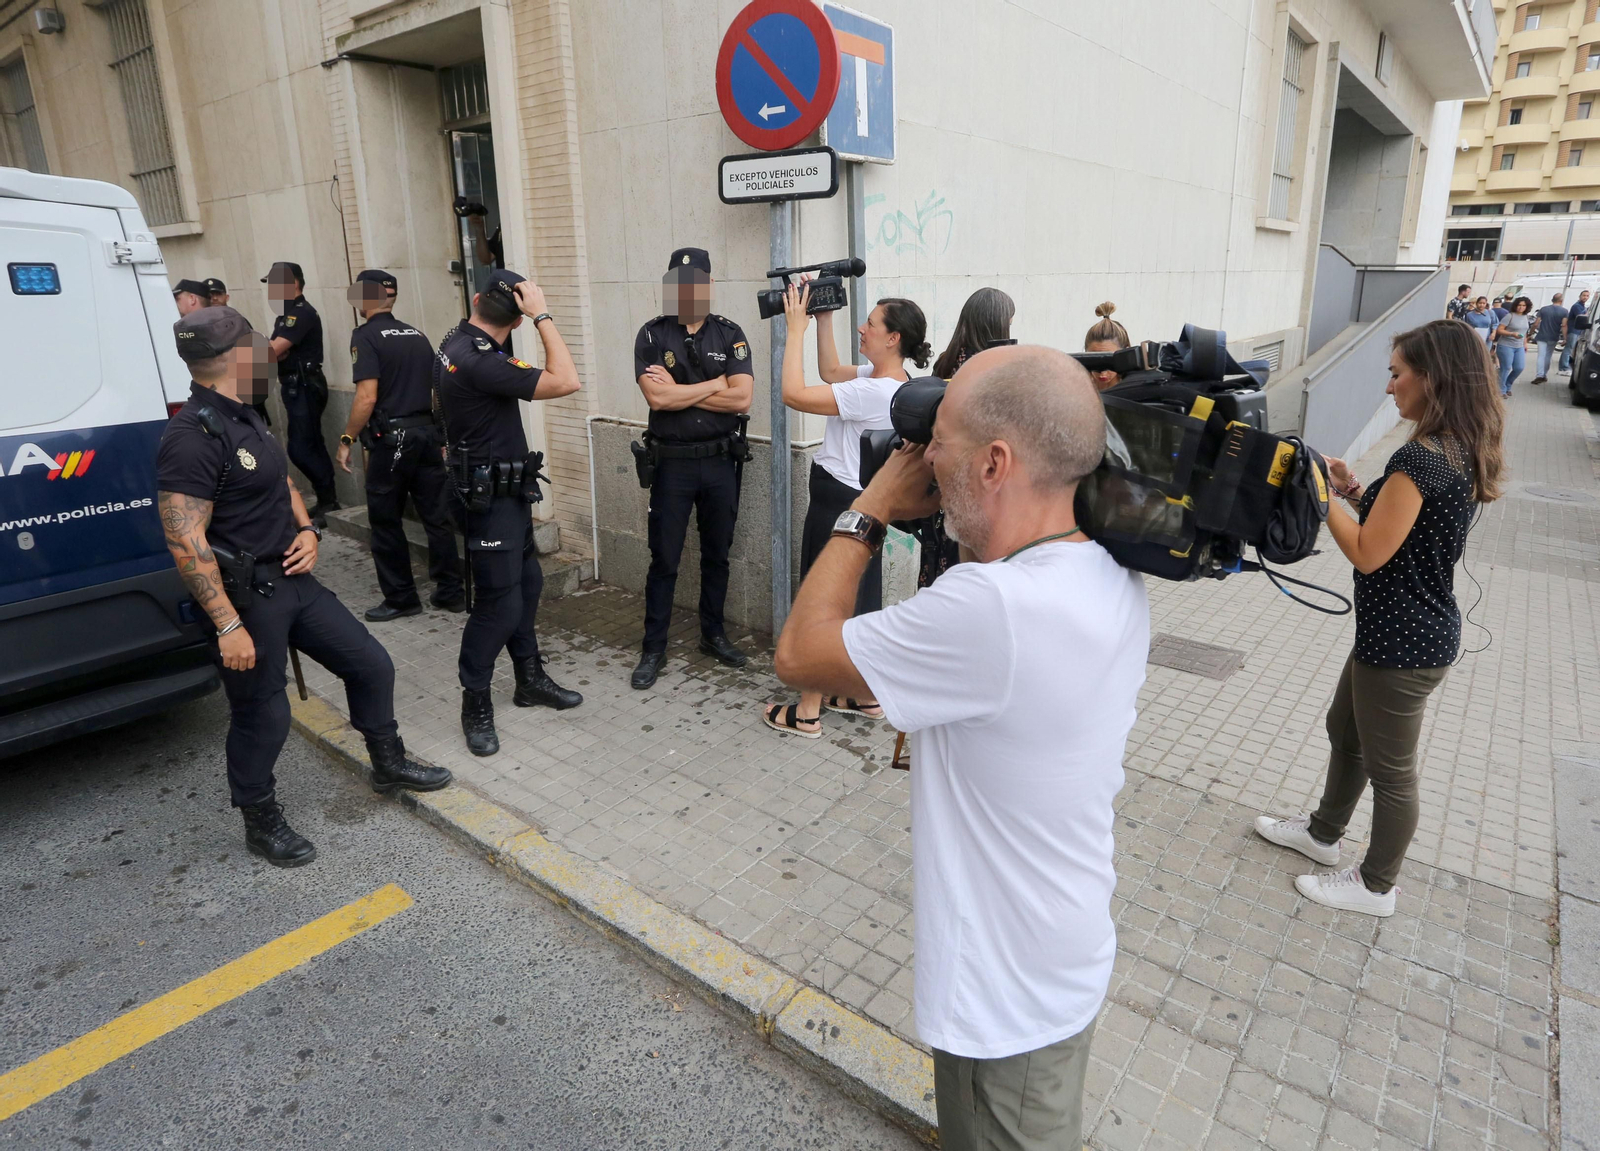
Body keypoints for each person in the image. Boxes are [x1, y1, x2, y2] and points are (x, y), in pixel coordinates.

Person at [773, 345, 1148, 1151]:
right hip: (1059, 955)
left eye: (937, 439)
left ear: (996, 462)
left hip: (1003, 1006)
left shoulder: (993, 610)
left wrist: (868, 504)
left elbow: (800, 654)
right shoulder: (1105, 567)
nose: (921, 457)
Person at [155, 307, 451, 867]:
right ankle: (260, 818)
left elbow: (283, 482)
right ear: (230, 359)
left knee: (370, 665)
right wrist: (227, 626)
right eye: (256, 347)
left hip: (294, 579)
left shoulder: (246, 414)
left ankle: (387, 763)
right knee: (263, 716)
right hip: (248, 598)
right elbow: (184, 541)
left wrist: (309, 531)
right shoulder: (191, 436)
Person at [1254, 320, 1503, 916]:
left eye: (1397, 374)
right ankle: (1321, 835)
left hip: (1404, 645)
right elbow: (1402, 530)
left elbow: (1369, 552)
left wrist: (1319, 496)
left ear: (1433, 378)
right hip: (1402, 634)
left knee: (1393, 774)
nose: (1390, 388)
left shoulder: (1421, 456)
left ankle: (1375, 886)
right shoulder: (1454, 449)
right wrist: (1353, 491)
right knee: (1346, 733)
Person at [762, 285, 930, 739]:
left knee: (823, 600)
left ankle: (808, 711)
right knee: (858, 597)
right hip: (863, 500)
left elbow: (793, 393)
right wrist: (822, 318)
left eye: (871, 323)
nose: (863, 327)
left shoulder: (871, 392)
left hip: (836, 498)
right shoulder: (896, 384)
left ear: (893, 338)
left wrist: (792, 329)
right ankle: (865, 695)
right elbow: (832, 370)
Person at [437, 269, 583, 756]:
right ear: (518, 321)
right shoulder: (481, 361)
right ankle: (474, 701)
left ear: (476, 300)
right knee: (498, 604)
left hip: (503, 491)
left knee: (529, 585)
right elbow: (567, 380)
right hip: (490, 499)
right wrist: (541, 313)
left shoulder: (459, 339)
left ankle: (528, 680)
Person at [629, 248, 755, 690]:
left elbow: (742, 399)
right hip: (673, 466)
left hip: (720, 462)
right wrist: (714, 384)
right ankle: (653, 647)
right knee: (663, 558)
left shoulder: (730, 334)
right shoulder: (652, 334)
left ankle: (712, 634)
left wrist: (682, 389)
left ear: (708, 286)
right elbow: (657, 400)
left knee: (717, 554)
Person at [337, 269, 465, 621]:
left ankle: (402, 599)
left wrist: (347, 438)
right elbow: (434, 392)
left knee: (386, 519)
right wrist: (439, 436)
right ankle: (451, 592)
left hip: (392, 439)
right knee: (436, 517)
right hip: (425, 434)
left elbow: (366, 397)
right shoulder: (417, 335)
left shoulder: (364, 337)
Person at [925, 287, 1017, 587]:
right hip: (979, 487)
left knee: (941, 569)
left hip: (944, 482)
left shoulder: (946, 362)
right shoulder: (993, 369)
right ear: (997, 323)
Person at [262, 261, 340, 521]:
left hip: (305, 384)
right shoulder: (285, 315)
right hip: (295, 385)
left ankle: (329, 500)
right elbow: (277, 353)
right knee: (309, 444)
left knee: (302, 448)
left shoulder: (300, 312)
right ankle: (326, 501)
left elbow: (273, 350)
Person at [1083, 301, 1131, 390]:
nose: (1103, 373)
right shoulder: (1077, 389)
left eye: (1109, 362)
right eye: (1094, 361)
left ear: (1125, 355)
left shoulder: (1134, 389)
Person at [1493, 296, 1533, 397]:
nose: (1521, 307)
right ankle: (1501, 390)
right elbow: (1500, 330)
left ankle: (1507, 385)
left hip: (1519, 346)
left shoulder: (1526, 317)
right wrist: (1511, 334)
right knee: (1506, 367)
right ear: (1515, 305)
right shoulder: (1509, 316)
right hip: (1506, 345)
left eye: (1524, 305)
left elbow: (1524, 332)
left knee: (1519, 367)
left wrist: (1525, 344)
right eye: (1519, 305)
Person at [1530, 292, 1568, 384]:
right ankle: (1544, 375)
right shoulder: (1564, 311)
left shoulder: (1544, 309)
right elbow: (1564, 325)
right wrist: (1565, 338)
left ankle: (1539, 375)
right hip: (1553, 336)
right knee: (1548, 356)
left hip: (1542, 336)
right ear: (1561, 301)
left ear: (1552, 300)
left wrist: (1530, 333)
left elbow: (1536, 323)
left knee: (1541, 356)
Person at [1562, 288, 1591, 374]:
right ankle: (1564, 368)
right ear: (1580, 296)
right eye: (1584, 295)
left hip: (1578, 331)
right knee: (1568, 349)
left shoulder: (1582, 306)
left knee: (1571, 350)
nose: (1585, 297)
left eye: (1587, 296)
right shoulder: (1577, 306)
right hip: (1573, 330)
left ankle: (1565, 367)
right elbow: (1582, 316)